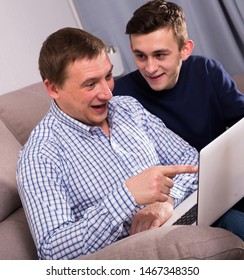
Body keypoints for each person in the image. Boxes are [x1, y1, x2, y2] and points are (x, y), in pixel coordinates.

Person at [16, 27, 199, 260]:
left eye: (108, 77)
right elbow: (53, 251)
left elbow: (190, 159)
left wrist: (167, 203)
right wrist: (127, 195)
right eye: (90, 84)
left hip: (180, 214)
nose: (107, 94)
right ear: (53, 88)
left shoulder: (127, 108)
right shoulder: (40, 156)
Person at [113, 0, 244, 240]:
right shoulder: (119, 96)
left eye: (160, 55)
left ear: (185, 49)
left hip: (223, 184)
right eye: (140, 56)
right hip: (174, 201)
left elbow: (241, 123)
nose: (150, 68)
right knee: (235, 222)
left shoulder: (206, 70)